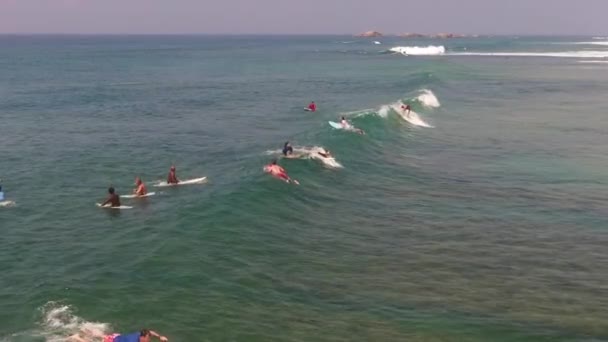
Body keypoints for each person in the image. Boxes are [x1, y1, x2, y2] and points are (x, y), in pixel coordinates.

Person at [69, 328, 168, 342]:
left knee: (104, 336)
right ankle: (77, 338)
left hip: (117, 336)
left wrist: (160, 337)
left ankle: (86, 332)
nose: (149, 340)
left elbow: (150, 331)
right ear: (143, 337)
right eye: (148, 338)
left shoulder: (140, 333)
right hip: (113, 341)